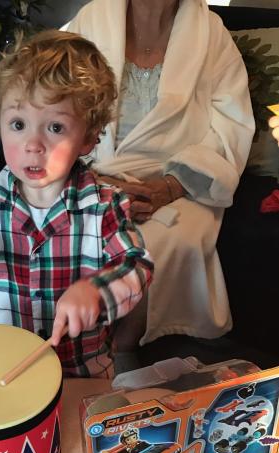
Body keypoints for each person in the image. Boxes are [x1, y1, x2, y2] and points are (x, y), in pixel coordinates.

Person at [0, 29, 153, 378]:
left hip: (81, 373)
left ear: (88, 137)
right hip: (5, 369)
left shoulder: (105, 206)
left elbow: (137, 265)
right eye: (18, 124)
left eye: (55, 127)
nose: (33, 144)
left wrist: (96, 292)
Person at [66, 0, 255, 350]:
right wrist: (95, 182)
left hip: (183, 183)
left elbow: (231, 125)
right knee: (75, 233)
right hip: (97, 173)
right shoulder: (91, 20)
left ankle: (122, 349)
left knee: (160, 243)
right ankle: (75, 340)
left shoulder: (211, 33)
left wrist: (171, 186)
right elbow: (57, 106)